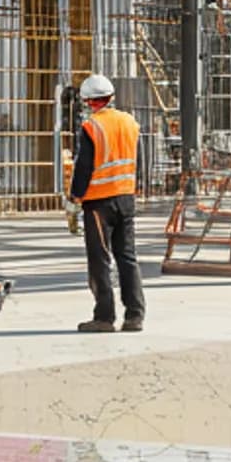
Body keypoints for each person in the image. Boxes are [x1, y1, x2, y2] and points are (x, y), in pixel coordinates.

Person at [70, 71, 145, 335]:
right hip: (126, 198)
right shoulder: (130, 122)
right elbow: (140, 160)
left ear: (89, 101)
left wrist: (75, 196)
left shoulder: (92, 126)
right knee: (127, 257)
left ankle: (104, 317)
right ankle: (135, 315)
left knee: (100, 259)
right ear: (111, 97)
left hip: (98, 203)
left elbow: (84, 166)